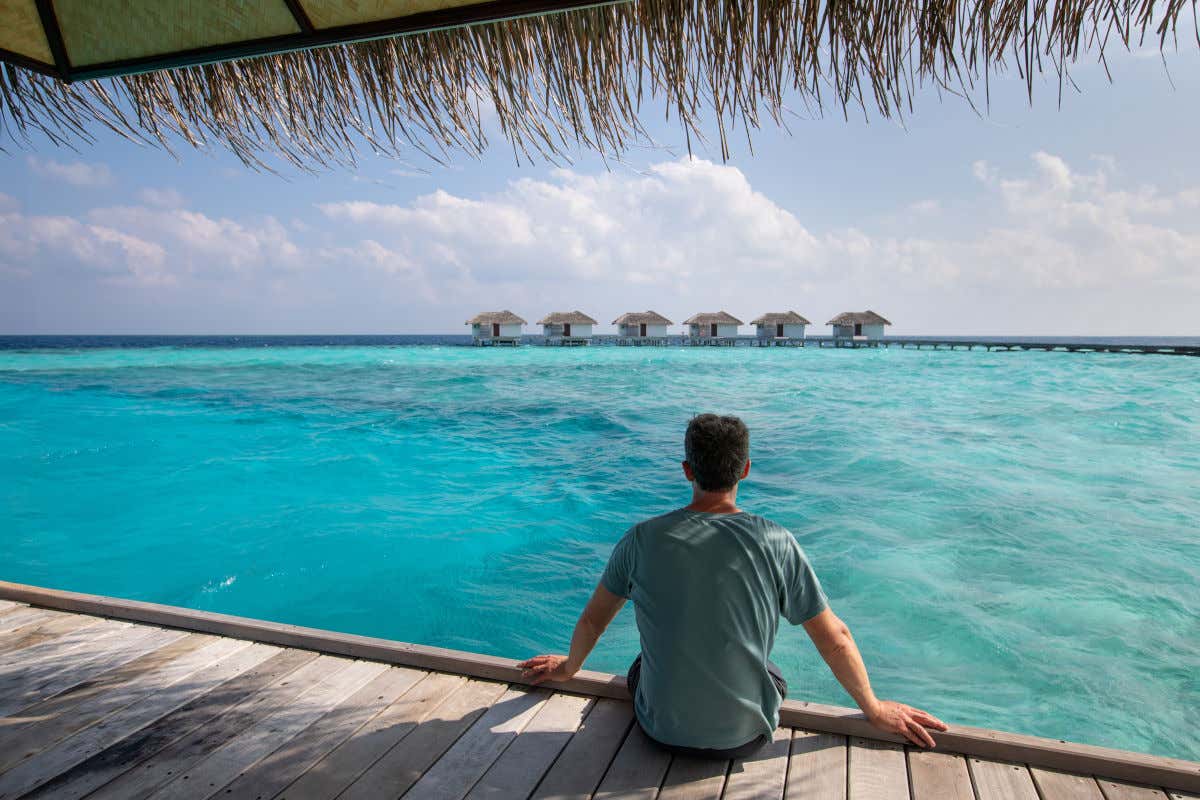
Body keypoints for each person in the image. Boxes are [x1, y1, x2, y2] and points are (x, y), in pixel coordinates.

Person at [518, 413, 947, 758]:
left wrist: (570, 668)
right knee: (770, 670)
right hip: (745, 739)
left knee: (642, 663)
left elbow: (594, 618)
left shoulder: (641, 539)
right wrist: (873, 709)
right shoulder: (776, 541)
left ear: (687, 470)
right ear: (745, 469)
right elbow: (835, 638)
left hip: (660, 733)